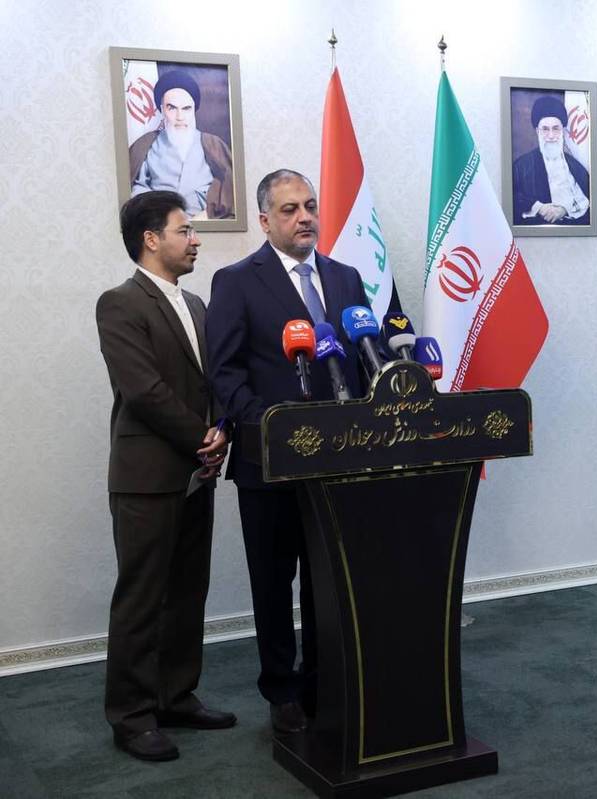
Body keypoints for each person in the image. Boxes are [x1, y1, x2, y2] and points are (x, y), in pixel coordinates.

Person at [206, 169, 373, 734]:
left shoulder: (346, 278)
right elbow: (224, 373)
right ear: (264, 220)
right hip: (270, 463)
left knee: (330, 579)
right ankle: (281, 690)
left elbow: (364, 357)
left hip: (341, 461)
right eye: (289, 209)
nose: (305, 217)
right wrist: (270, 427)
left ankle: (325, 680)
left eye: (310, 206)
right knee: (274, 583)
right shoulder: (236, 282)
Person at [96, 190, 234, 761]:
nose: (195, 240)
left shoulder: (196, 304)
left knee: (186, 592)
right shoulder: (119, 303)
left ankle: (176, 697)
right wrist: (202, 436)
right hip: (147, 477)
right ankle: (131, 717)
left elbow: (212, 380)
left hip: (197, 473)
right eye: (185, 230)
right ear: (151, 239)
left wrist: (222, 428)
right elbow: (144, 391)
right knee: (142, 598)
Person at [129, 70, 234, 220]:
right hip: (159, 225)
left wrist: (207, 215)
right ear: (162, 110)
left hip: (206, 223)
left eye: (186, 108)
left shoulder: (213, 144)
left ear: (194, 110)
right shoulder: (145, 145)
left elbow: (231, 188)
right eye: (172, 108)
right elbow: (137, 190)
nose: (180, 117)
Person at [512, 96, 590, 225]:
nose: (551, 136)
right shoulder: (520, 167)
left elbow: (588, 200)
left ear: (563, 131)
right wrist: (539, 207)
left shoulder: (576, 167)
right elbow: (512, 197)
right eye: (545, 129)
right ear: (537, 131)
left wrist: (565, 210)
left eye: (555, 128)